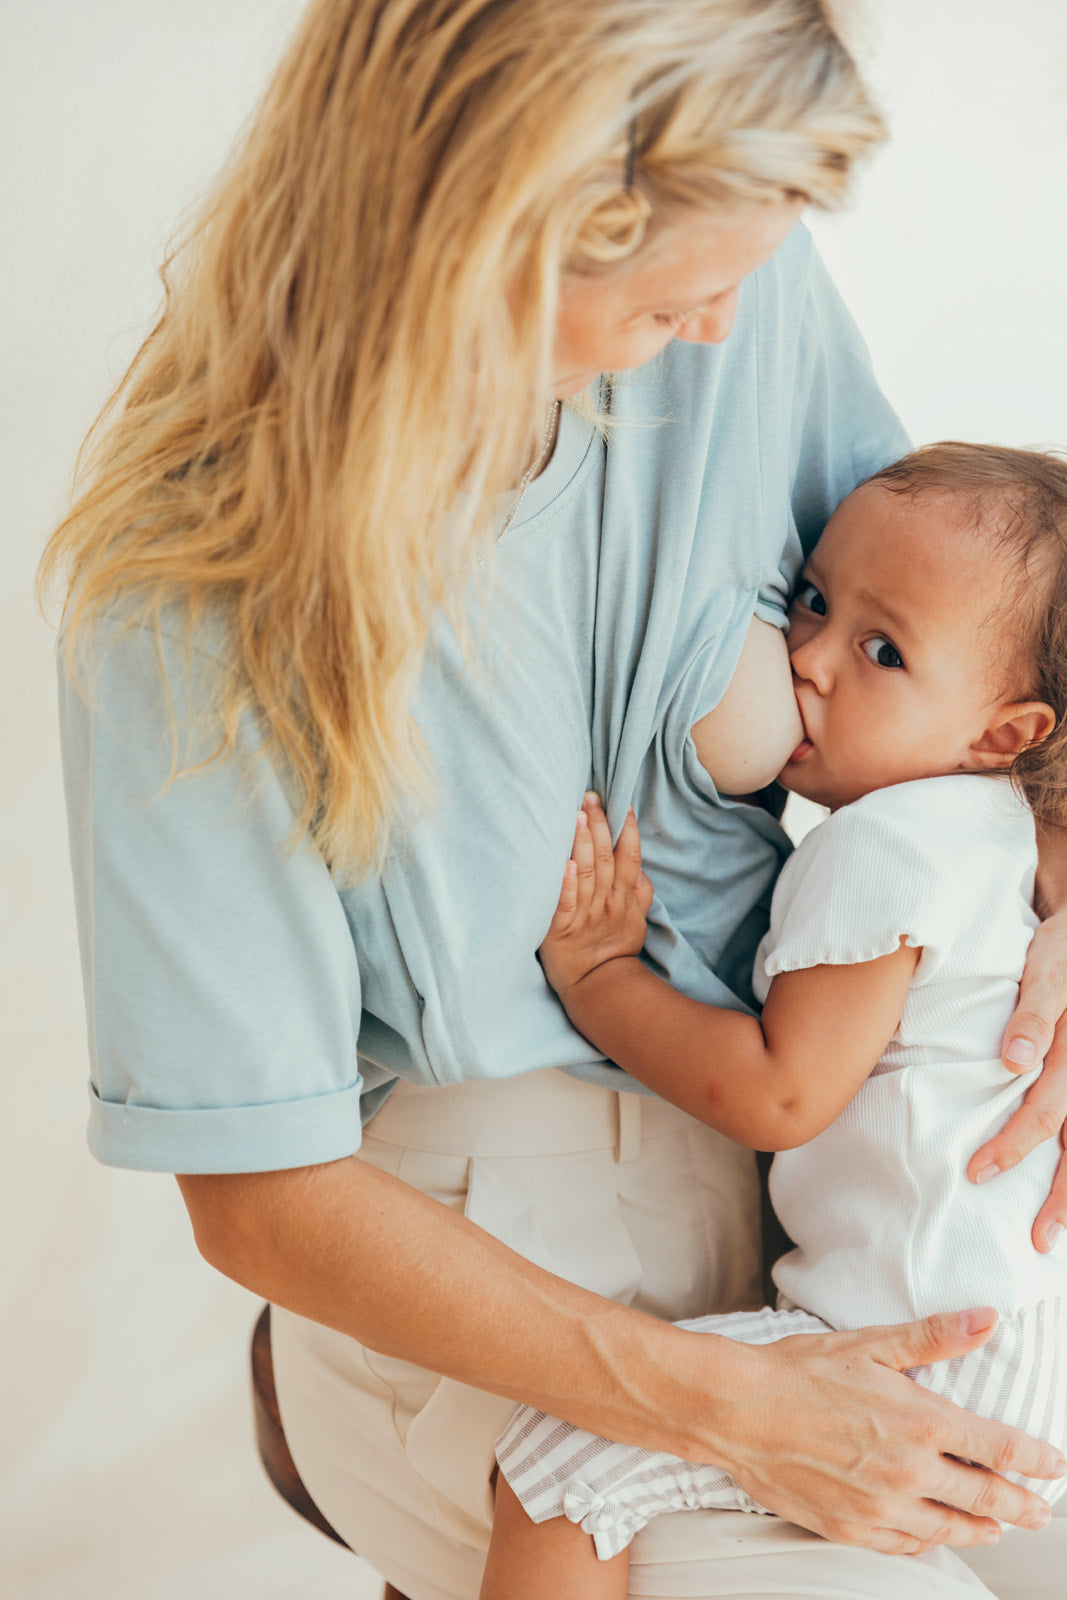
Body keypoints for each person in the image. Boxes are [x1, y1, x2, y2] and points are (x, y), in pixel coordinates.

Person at [38, 4, 1067, 1598]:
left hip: (804, 1224)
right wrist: (724, 1408)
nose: (724, 329)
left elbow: (984, 641)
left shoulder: (746, 287)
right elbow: (258, 1200)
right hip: (483, 1260)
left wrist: (1057, 879)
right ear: (503, 228)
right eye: (672, 296)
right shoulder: (189, 591)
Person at [481, 442, 1067, 1599]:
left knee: (556, 1453)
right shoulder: (995, 835)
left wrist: (600, 976)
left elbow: (776, 1092)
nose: (804, 658)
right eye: (810, 600)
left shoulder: (889, 842)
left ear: (1001, 733)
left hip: (928, 1354)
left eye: (881, 650)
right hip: (1002, 1351)